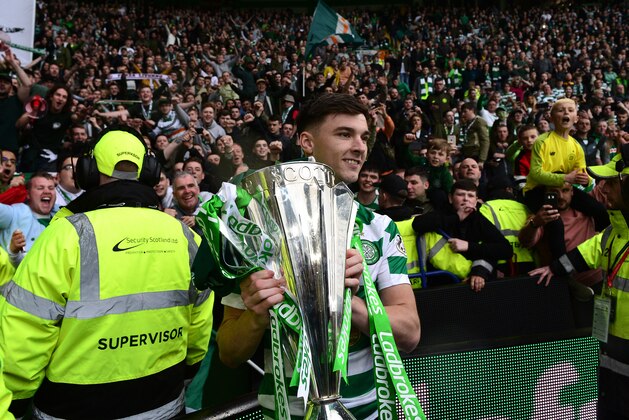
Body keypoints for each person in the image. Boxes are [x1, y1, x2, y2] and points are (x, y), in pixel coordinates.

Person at [216, 93, 420, 419]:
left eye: (364, 137)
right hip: (286, 413)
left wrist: (341, 297)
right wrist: (257, 314)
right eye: (344, 134)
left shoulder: (379, 228)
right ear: (307, 142)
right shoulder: (254, 227)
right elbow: (229, 353)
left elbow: (410, 334)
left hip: (368, 410)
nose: (359, 146)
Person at [0, 126, 214, 418]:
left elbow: (25, 333)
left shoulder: (65, 235)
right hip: (165, 405)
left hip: (70, 409)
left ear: (87, 172)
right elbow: (198, 332)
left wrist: (16, 403)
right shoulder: (187, 237)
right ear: (149, 171)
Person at [529, 150, 629, 419]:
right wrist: (553, 268)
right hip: (611, 352)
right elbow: (585, 254)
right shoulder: (613, 232)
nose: (602, 188)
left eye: (611, 182)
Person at [523, 98, 609, 259]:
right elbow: (535, 174)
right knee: (555, 223)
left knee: (599, 211)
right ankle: (560, 268)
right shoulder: (542, 141)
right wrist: (565, 177)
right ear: (551, 117)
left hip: (564, 189)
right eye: (561, 110)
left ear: (576, 118)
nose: (566, 113)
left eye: (570, 110)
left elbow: (584, 174)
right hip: (538, 190)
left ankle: (605, 249)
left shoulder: (576, 146)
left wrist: (587, 180)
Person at [412, 179, 513, 292]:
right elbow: (418, 224)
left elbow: (506, 249)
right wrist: (457, 217)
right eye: (460, 194)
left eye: (470, 196)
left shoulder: (479, 219)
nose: (466, 199)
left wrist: (468, 246)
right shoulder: (443, 213)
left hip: (472, 282)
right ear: (450, 198)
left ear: (476, 201)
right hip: (440, 283)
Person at [0, 172, 57, 267]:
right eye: (40, 188)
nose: (47, 191)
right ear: (28, 194)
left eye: (51, 188)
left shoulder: (65, 215)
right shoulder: (14, 213)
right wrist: (8, 189)